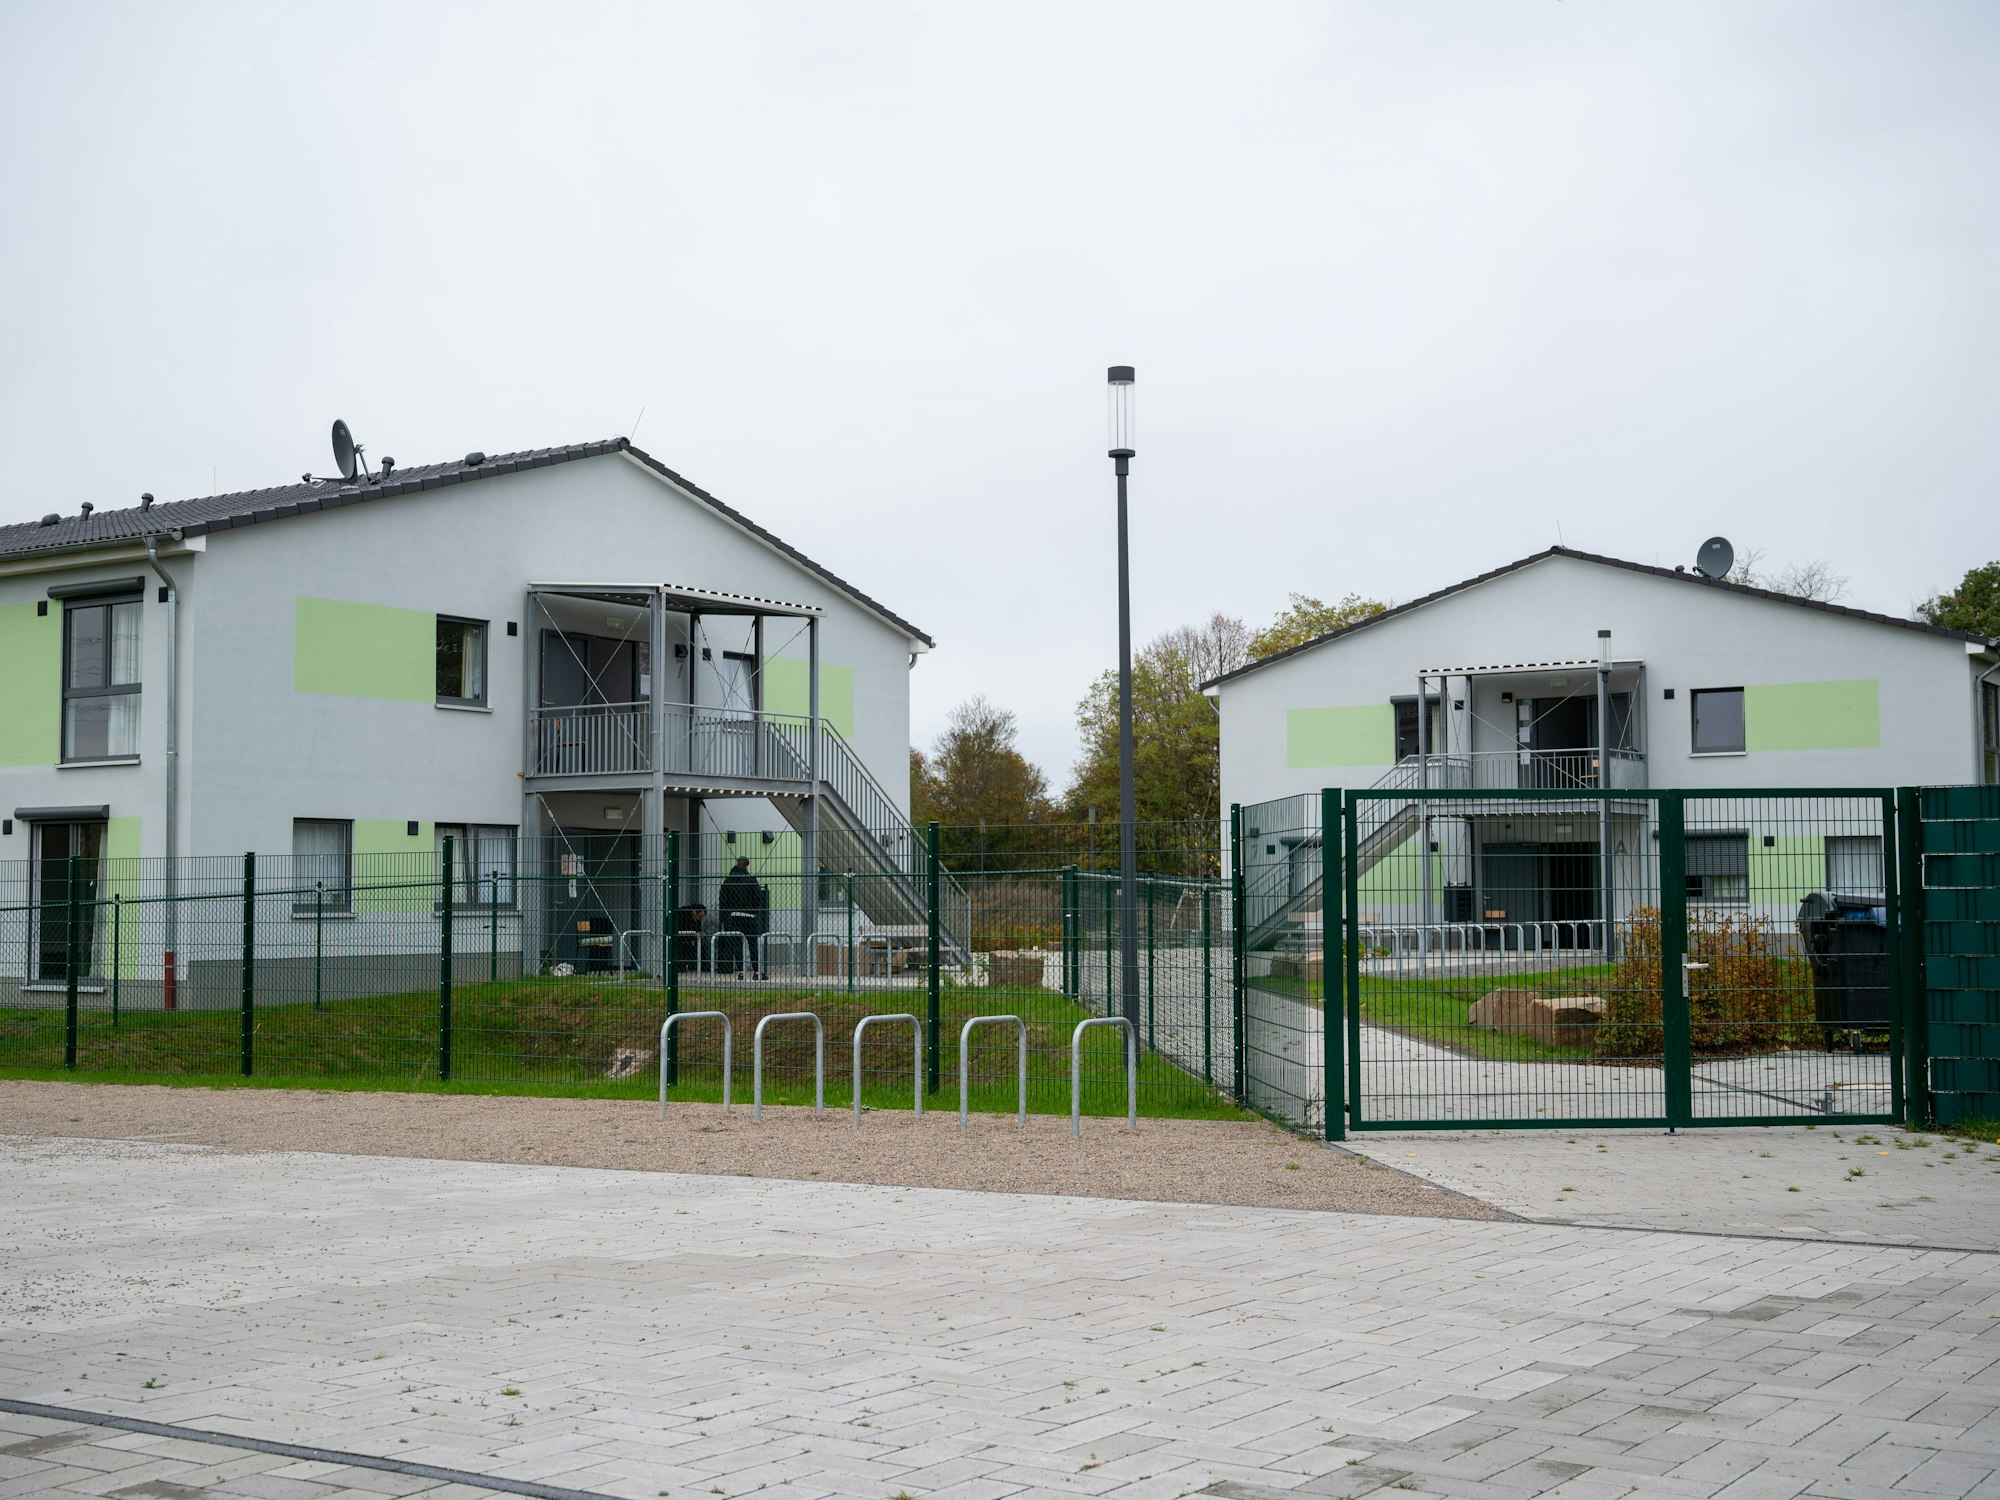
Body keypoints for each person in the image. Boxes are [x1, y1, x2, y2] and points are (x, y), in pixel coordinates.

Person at [716, 857, 763, 977]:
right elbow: (758, 897)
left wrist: (725, 917)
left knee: (737, 943)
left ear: (736, 864)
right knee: (753, 943)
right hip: (750, 916)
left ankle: (741, 971)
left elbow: (723, 900)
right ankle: (757, 971)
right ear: (747, 866)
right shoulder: (751, 879)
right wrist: (753, 907)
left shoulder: (728, 881)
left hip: (734, 916)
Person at [672, 902, 707, 974]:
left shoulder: (696, 919)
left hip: (687, 938)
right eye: (699, 916)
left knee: (698, 945)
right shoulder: (681, 914)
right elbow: (681, 929)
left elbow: (697, 928)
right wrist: (695, 934)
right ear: (694, 912)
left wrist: (699, 933)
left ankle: (702, 966)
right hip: (678, 937)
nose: (700, 919)